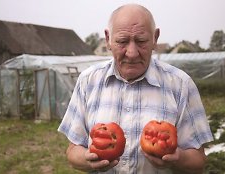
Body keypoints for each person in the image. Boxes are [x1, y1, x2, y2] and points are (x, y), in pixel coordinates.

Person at [58, 3, 213, 174]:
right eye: (122, 41)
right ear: (108, 39)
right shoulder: (88, 81)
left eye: (141, 41)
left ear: (155, 38)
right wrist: (88, 159)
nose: (132, 53)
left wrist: (179, 159)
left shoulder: (181, 85)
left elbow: (198, 160)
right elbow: (73, 151)